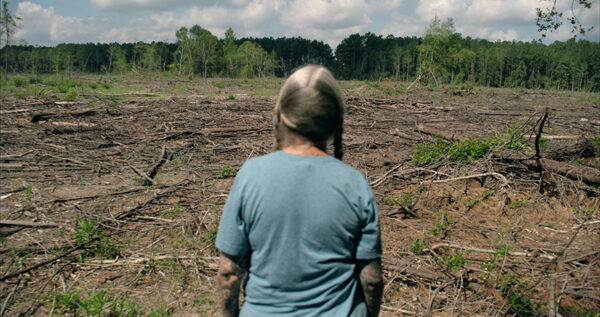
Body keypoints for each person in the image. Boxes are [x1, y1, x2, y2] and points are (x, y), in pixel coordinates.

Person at [215, 65, 383, 317]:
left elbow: (229, 272)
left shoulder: (250, 175)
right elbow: (371, 279)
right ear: (335, 120)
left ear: (282, 115)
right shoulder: (355, 184)